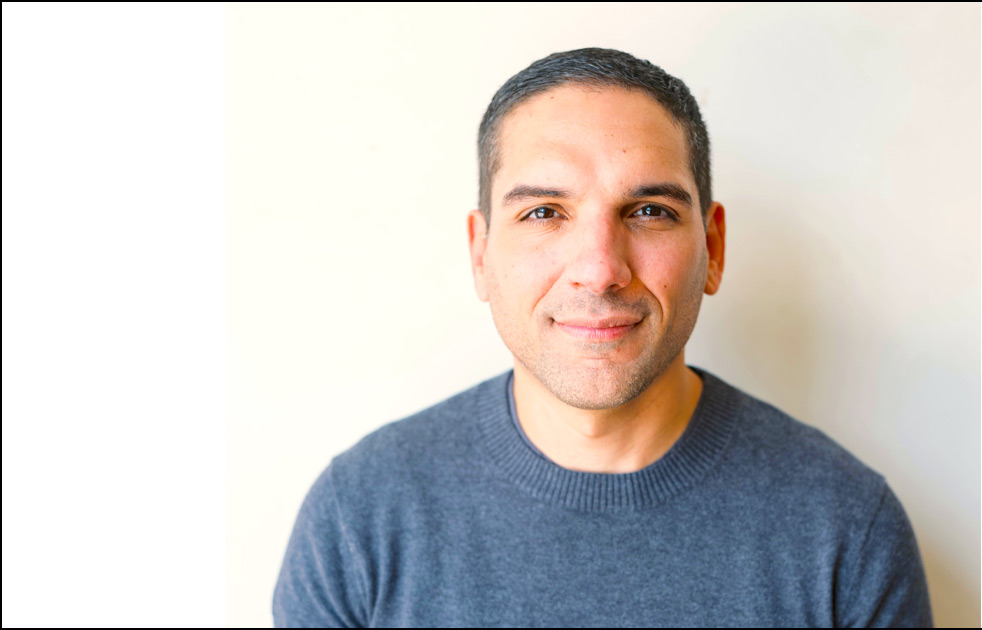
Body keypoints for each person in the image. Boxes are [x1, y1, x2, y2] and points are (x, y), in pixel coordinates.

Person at [273, 47, 934, 628]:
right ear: (480, 253)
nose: (599, 268)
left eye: (648, 211)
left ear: (713, 247)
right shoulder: (358, 519)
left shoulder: (848, 529)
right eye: (544, 212)